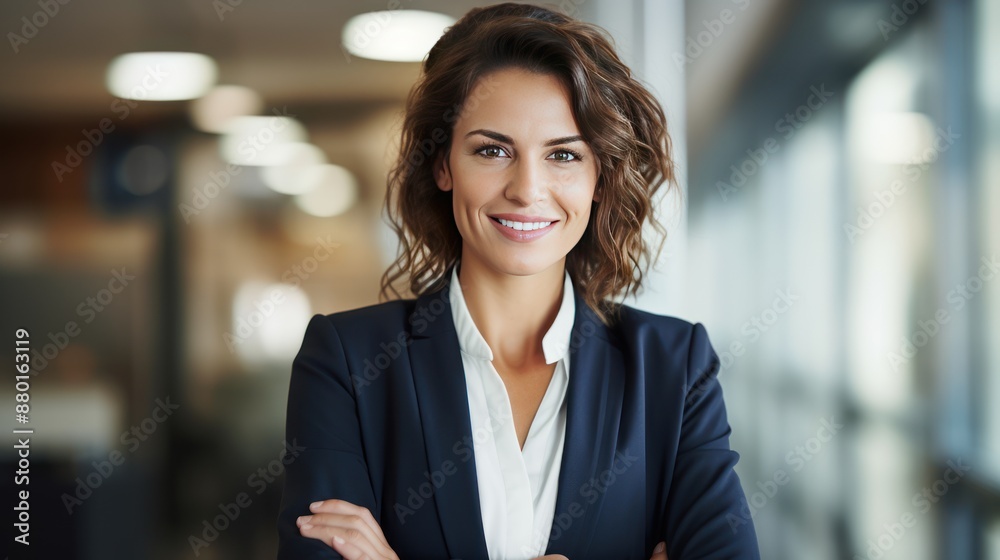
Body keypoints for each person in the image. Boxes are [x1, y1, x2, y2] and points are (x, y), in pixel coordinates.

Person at [276, 3, 760, 559]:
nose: (527, 189)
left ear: (599, 176)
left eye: (563, 155)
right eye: (493, 150)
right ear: (443, 165)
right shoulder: (347, 362)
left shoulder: (674, 367)